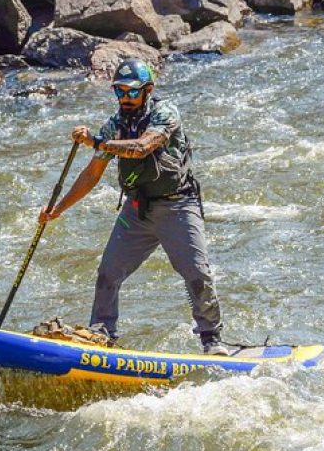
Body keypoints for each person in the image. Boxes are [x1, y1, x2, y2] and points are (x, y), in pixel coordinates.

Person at [39, 59, 228, 356]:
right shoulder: (114, 125)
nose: (125, 99)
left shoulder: (165, 113)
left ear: (148, 90)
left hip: (178, 206)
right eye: (119, 92)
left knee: (196, 274)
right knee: (108, 273)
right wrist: (58, 210)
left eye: (131, 92)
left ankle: (211, 340)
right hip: (137, 210)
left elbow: (141, 147)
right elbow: (92, 174)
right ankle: (102, 334)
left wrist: (97, 142)